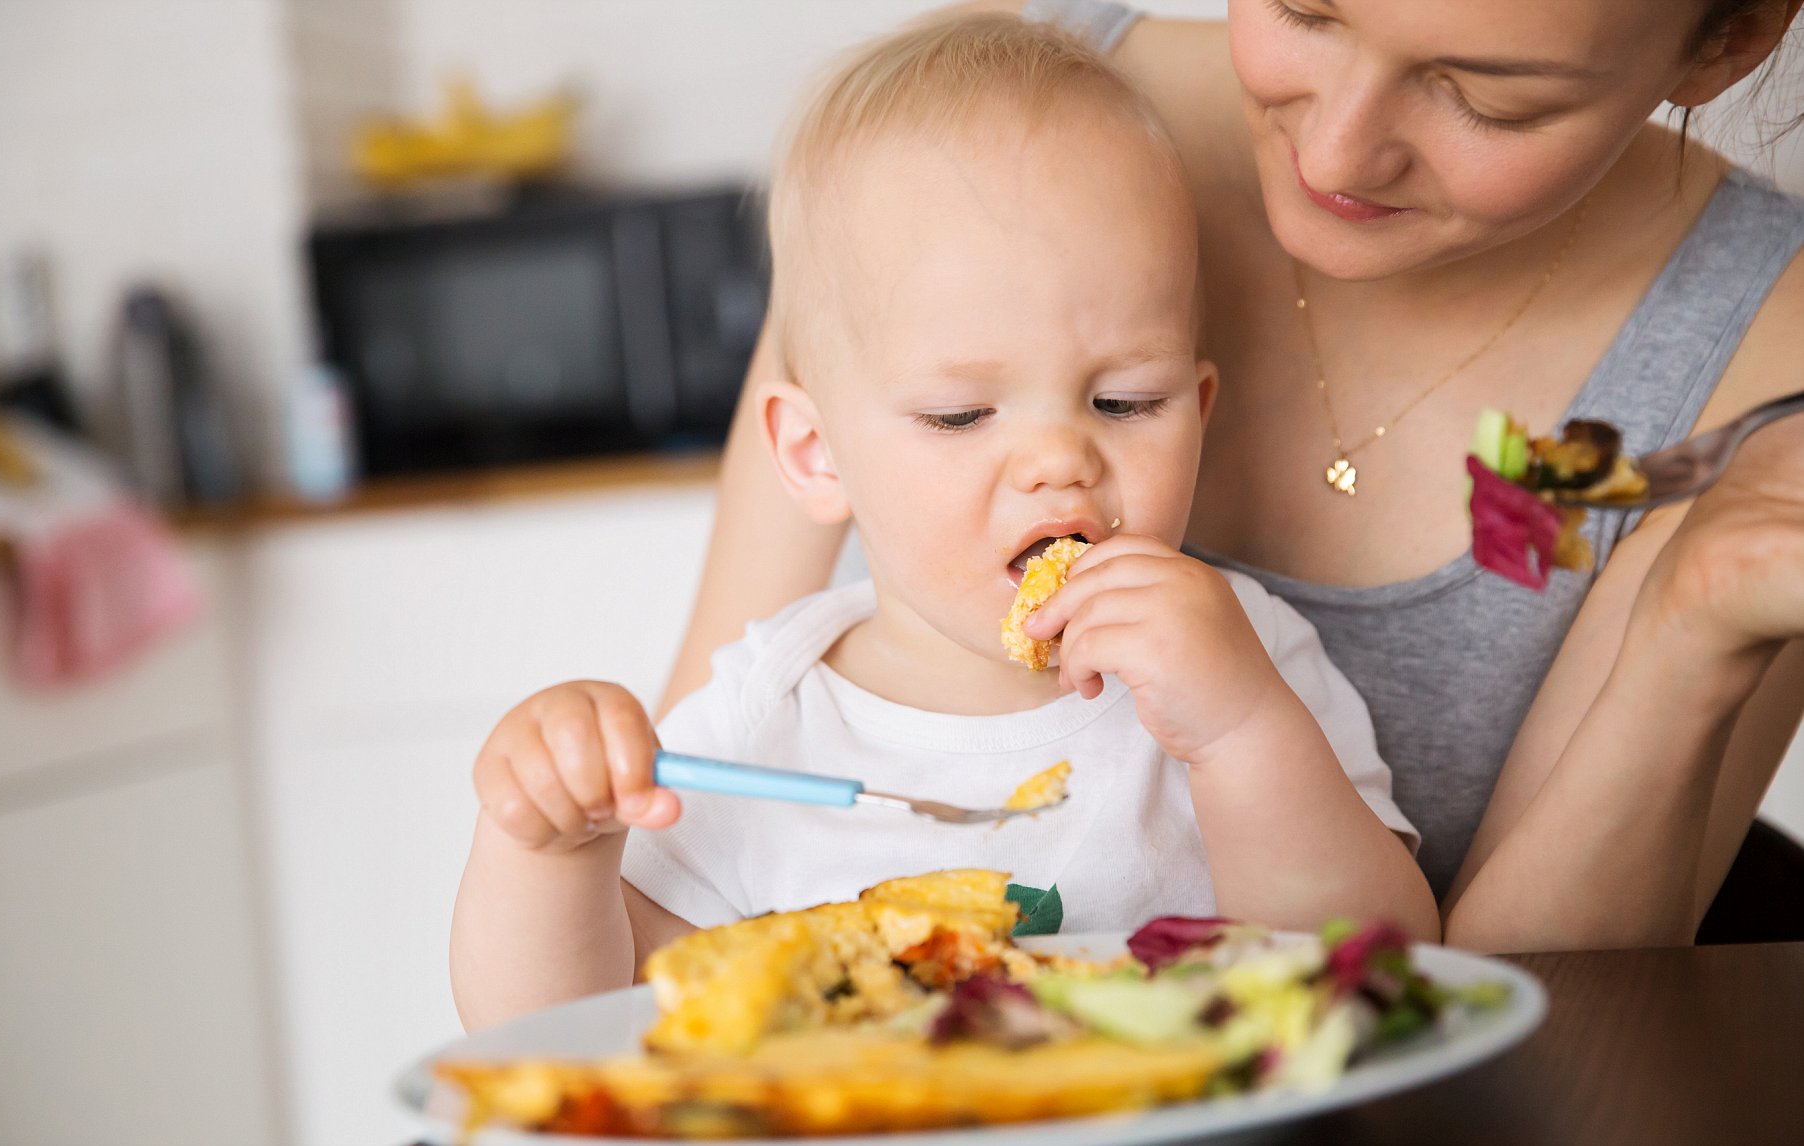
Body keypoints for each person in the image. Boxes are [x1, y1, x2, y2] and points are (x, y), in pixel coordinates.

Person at [663, 0, 1804, 955]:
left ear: (1729, 42)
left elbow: (1502, 1033)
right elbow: (678, 854)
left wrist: (1693, 627)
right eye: (1307, 7)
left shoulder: (1767, 357)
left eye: (1492, 97)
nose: (1340, 152)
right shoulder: (960, 130)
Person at [451, 14, 1439, 1029]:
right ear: (815, 453)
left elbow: (1390, 971)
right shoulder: (768, 719)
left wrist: (1240, 733)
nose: (1061, 459)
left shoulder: (1244, 657)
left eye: (1125, 402)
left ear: (1201, 411)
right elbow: (567, 1026)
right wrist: (548, 852)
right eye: (962, 415)